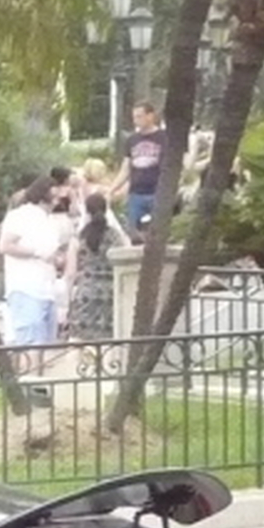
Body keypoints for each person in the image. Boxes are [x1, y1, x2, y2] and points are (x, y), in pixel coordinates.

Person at [0, 176, 65, 371]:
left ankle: (38, 384)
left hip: (46, 287)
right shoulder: (21, 216)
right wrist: (36, 253)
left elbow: (51, 251)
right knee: (29, 341)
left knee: (41, 343)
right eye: (55, 192)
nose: (59, 197)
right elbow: (6, 245)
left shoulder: (50, 221)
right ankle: (30, 386)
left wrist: (57, 259)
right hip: (26, 287)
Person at [61, 191, 117, 348]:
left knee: (79, 343)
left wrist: (67, 299)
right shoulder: (115, 237)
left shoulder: (79, 238)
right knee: (107, 345)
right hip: (109, 293)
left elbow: (71, 273)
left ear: (86, 211)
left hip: (86, 291)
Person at [122, 102, 165, 234]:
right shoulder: (131, 140)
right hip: (136, 193)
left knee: (158, 231)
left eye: (139, 116)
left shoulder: (164, 137)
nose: (136, 121)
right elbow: (125, 169)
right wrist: (112, 190)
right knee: (133, 230)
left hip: (157, 191)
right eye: (134, 117)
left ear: (150, 116)